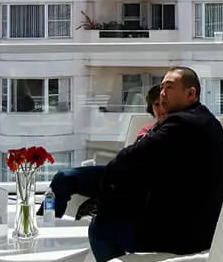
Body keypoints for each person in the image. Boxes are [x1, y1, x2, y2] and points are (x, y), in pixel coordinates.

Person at [88, 66, 223, 262]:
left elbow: (129, 159)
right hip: (207, 226)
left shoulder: (180, 124)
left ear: (191, 93)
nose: (162, 93)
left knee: (101, 228)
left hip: (183, 234)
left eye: (169, 87)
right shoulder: (206, 120)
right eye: (162, 87)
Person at [44, 84, 165, 219]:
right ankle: (45, 223)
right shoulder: (146, 129)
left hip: (137, 185)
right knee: (63, 177)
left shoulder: (172, 131)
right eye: (156, 104)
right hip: (117, 175)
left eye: (164, 104)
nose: (161, 109)